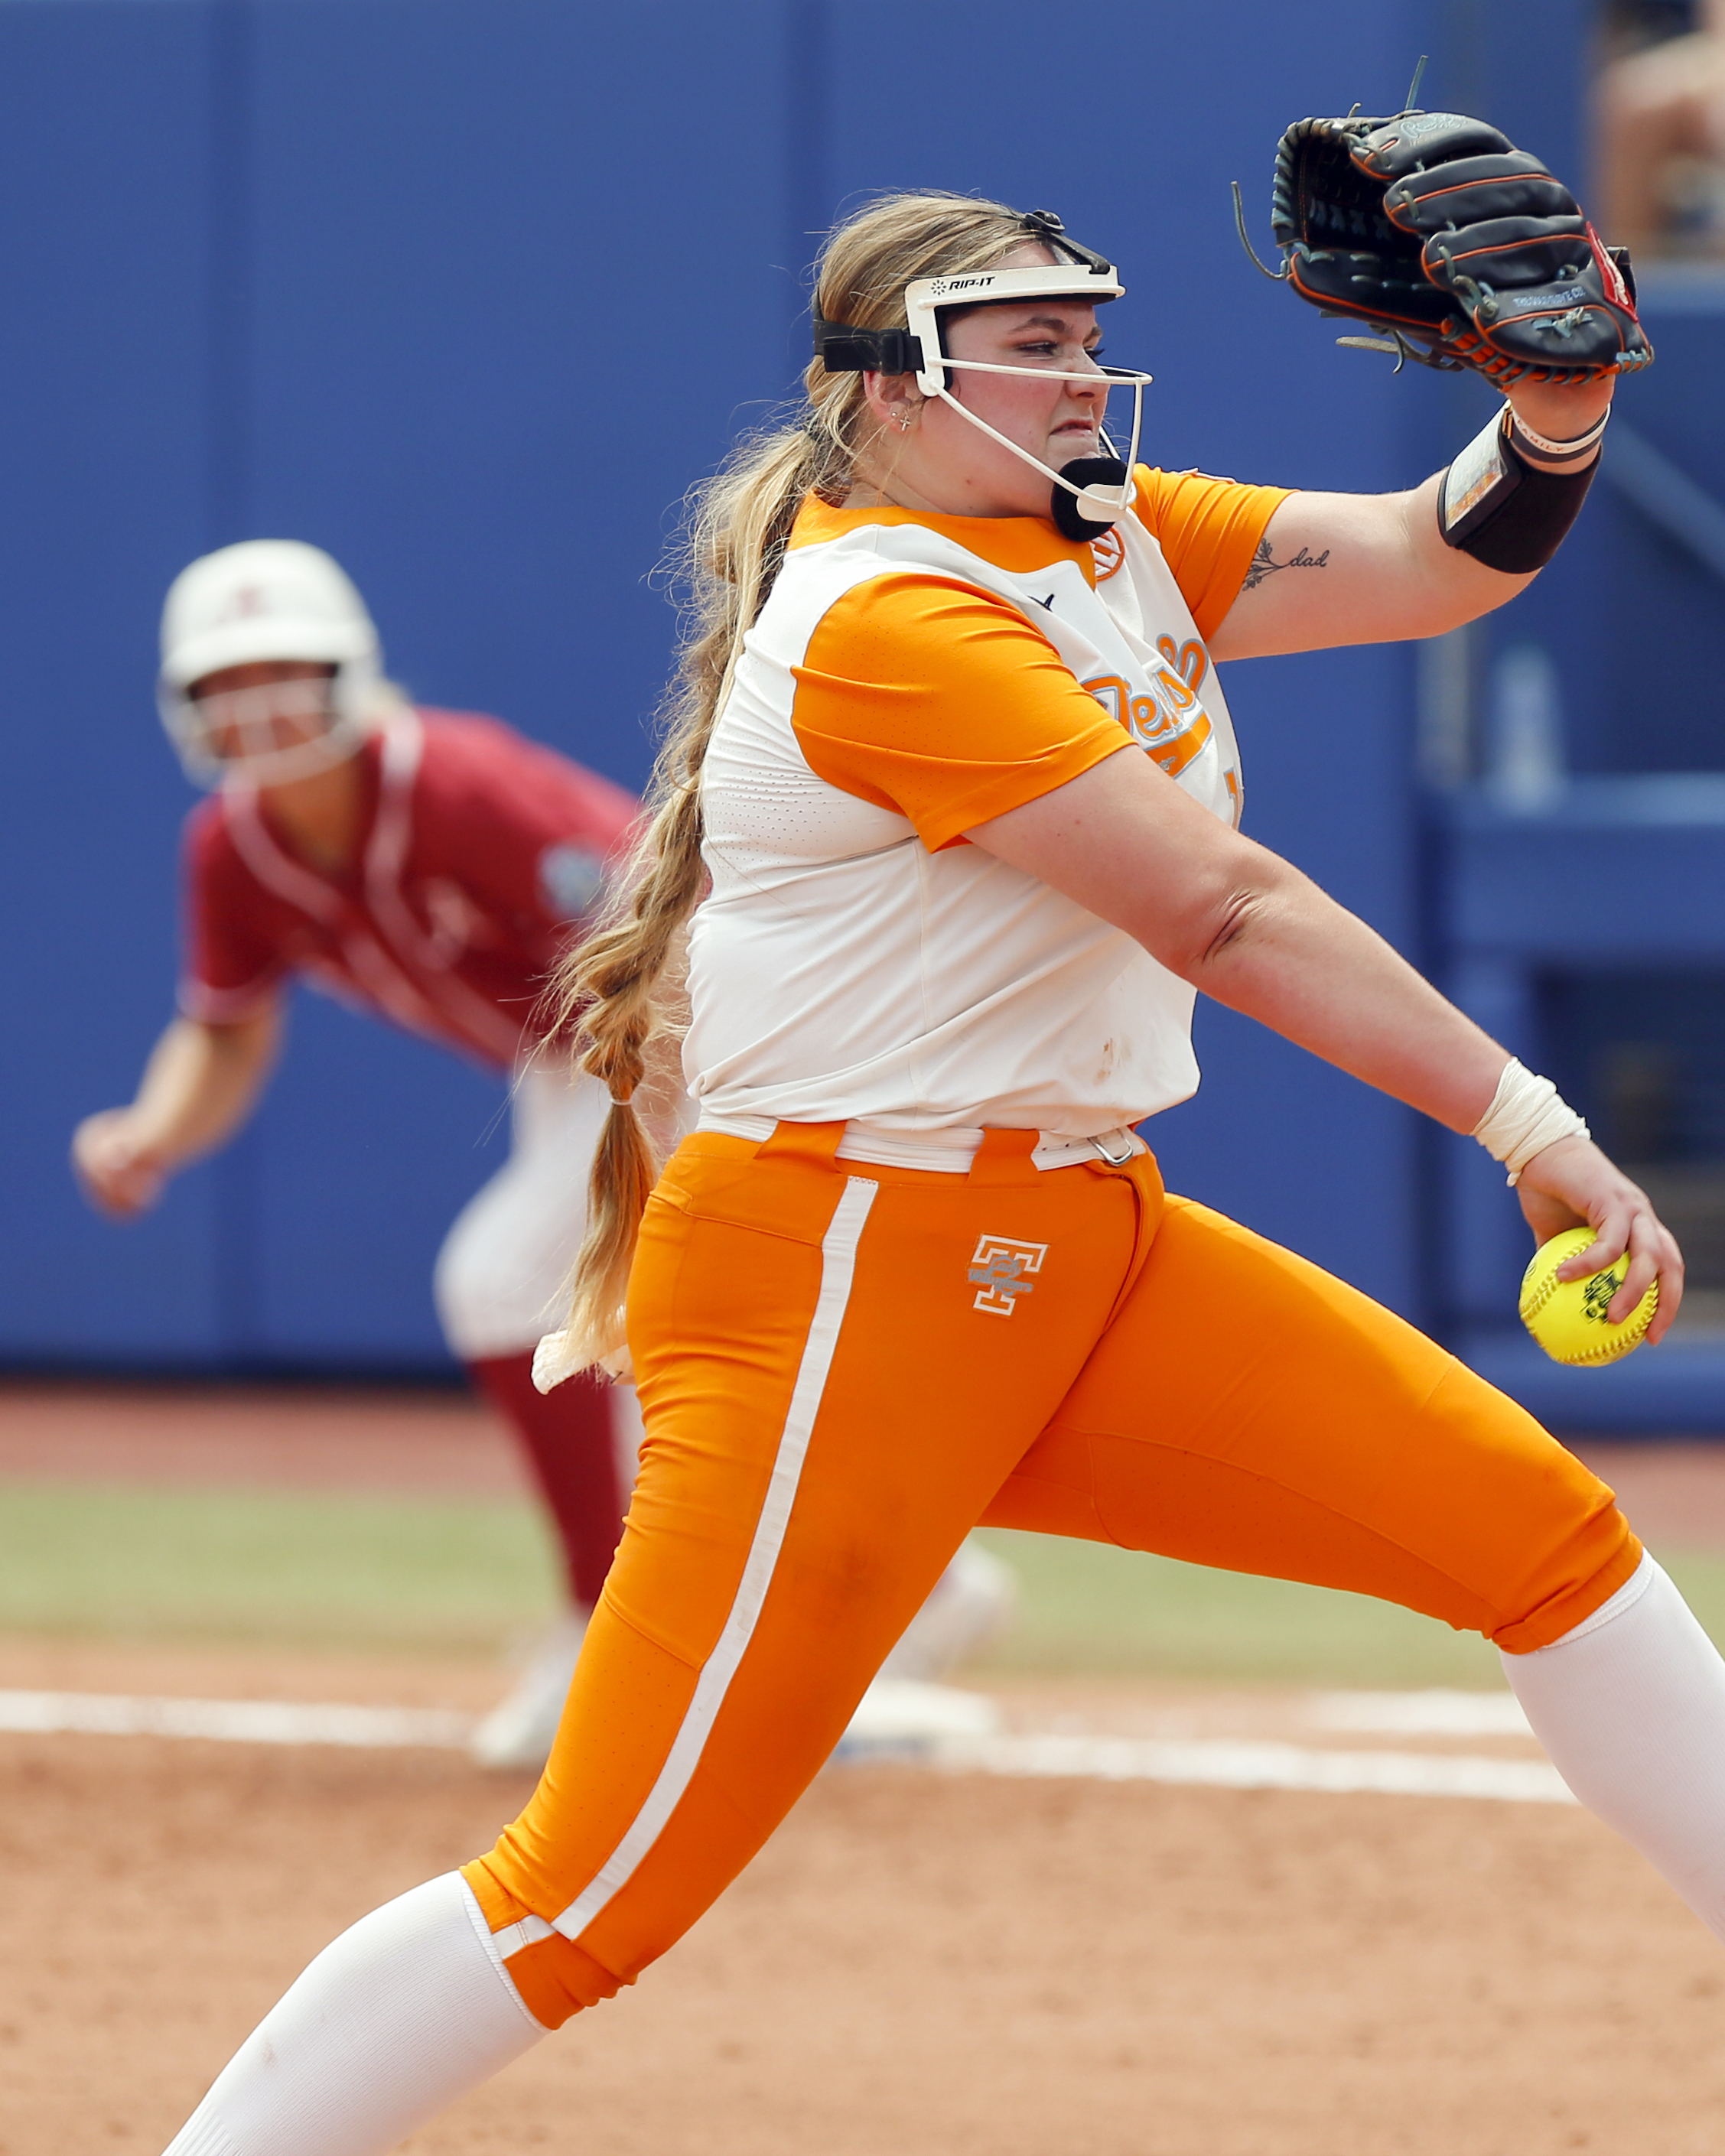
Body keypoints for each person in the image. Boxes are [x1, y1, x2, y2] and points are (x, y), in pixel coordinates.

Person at [155, 189, 1716, 2156]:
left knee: (1550, 1551)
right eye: (1029, 345)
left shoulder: (1115, 532)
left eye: (1085, 336)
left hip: (1078, 1239)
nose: (1082, 375)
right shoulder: (888, 611)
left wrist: (1557, 411)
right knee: (587, 1896)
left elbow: (1429, 555)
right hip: (845, 1267)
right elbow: (1219, 910)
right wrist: (1529, 1120)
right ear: (880, 392)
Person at [73, 538, 1012, 1772]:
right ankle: (904, 1593)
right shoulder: (232, 850)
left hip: (702, 1033)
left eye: (285, 674)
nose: (260, 708)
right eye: (227, 685)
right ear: (185, 708)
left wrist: (704, 1125)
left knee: (514, 1283)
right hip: (575, 1071)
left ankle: (631, 1633)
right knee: (632, 1330)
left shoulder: (458, 786)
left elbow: (674, 922)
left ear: (349, 674)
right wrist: (152, 1132)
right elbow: (226, 1034)